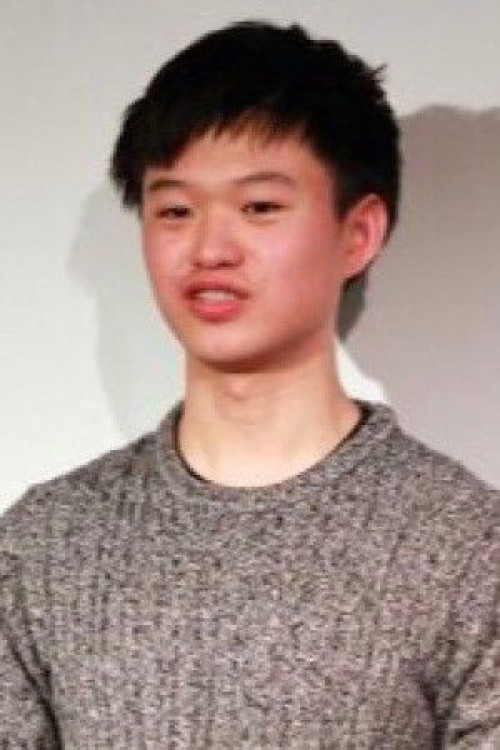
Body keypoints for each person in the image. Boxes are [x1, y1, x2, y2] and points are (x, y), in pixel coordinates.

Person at [0, 20, 498, 749]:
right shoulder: (44, 544)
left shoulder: (465, 546)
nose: (209, 249)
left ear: (358, 234)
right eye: (175, 210)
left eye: (260, 207)